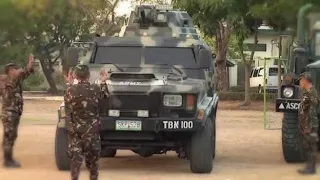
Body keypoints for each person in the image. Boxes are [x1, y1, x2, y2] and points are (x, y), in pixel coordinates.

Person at [64, 65, 109, 180]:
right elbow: (105, 98)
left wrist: (69, 84)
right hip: (92, 131)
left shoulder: (71, 90)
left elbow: (68, 108)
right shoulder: (95, 88)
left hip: (76, 132)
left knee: (76, 161)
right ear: (88, 75)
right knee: (93, 163)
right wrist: (103, 82)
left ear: (75, 75)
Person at [1, 54, 34, 168]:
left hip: (13, 112)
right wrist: (29, 65)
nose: (16, 70)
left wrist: (29, 67)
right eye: (14, 69)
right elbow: (23, 72)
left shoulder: (10, 80)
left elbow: (24, 73)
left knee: (11, 135)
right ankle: (7, 160)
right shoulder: (8, 79)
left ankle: (8, 157)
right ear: (10, 71)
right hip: (9, 112)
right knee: (9, 135)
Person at [297, 72, 319, 175]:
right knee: (308, 147)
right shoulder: (307, 92)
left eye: (301, 81)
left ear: (305, 80)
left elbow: (312, 111)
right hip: (307, 124)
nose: (300, 83)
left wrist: (308, 126)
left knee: (311, 147)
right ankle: (309, 167)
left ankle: (311, 169)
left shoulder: (312, 93)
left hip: (310, 125)